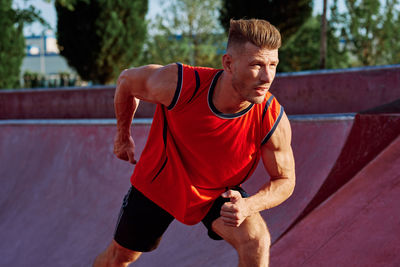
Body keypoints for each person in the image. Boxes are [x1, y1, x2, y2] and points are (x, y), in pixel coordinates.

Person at [93, 18, 295, 267]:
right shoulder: (181, 84)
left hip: (216, 192)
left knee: (256, 240)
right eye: (256, 65)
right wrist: (123, 137)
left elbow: (285, 180)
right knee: (119, 258)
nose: (267, 77)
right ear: (228, 63)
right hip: (160, 184)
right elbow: (126, 82)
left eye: (273, 65)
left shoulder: (270, 116)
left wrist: (250, 205)